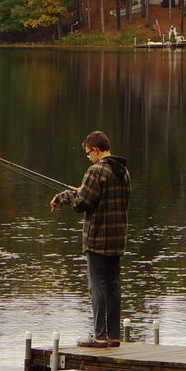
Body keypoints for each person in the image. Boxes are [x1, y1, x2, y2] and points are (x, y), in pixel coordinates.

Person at [49, 130, 131, 346]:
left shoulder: (96, 171)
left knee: (98, 286)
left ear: (95, 150)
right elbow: (112, 199)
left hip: (97, 240)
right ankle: (114, 336)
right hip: (117, 240)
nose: (88, 157)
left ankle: (100, 336)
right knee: (113, 285)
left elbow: (81, 204)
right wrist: (83, 190)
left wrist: (63, 197)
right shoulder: (123, 172)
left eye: (88, 153)